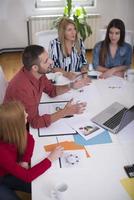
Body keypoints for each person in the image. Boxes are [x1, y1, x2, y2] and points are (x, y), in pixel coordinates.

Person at [4, 45, 89, 129]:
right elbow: (35, 122)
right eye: (46, 61)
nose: (51, 61)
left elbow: (52, 91)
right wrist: (65, 112)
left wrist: (71, 85)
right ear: (35, 67)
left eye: (48, 58)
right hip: (15, 128)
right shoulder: (23, 88)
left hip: (28, 115)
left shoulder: (38, 73)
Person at [0, 101, 64, 200]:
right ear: (14, 124)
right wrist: (50, 158)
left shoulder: (13, 130)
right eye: (24, 116)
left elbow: (30, 139)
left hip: (9, 171)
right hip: (2, 178)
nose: (27, 114)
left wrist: (25, 160)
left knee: (38, 186)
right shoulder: (2, 152)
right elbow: (28, 176)